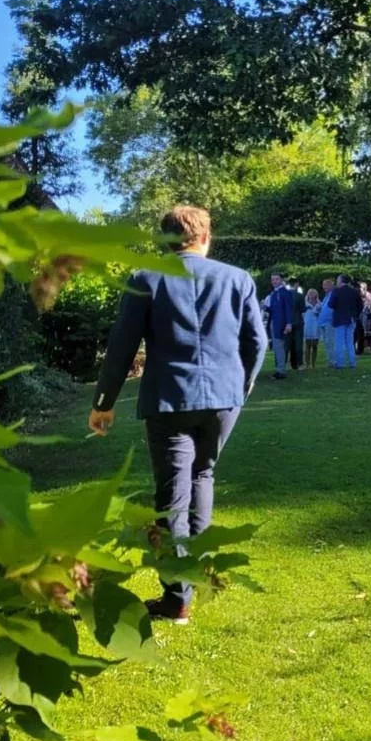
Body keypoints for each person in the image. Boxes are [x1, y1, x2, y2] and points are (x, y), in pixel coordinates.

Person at [88, 205, 267, 624]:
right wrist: (243, 384)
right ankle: (192, 580)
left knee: (171, 498)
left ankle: (177, 598)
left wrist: (104, 402)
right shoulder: (238, 279)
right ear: (205, 237)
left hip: (169, 398)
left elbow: (121, 346)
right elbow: (257, 342)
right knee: (203, 475)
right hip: (223, 398)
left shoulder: (145, 278)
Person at [328, 274, 361, 369]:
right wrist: (355, 315)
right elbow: (360, 305)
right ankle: (352, 363)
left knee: (339, 342)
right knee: (350, 342)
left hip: (339, 319)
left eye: (337, 280)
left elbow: (330, 304)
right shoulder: (355, 291)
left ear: (341, 281)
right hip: (351, 319)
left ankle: (340, 363)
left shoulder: (336, 291)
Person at [266, 271, 293, 380]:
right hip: (274, 322)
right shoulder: (274, 293)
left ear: (281, 280)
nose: (274, 281)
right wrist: (265, 307)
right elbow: (273, 309)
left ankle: (281, 371)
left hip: (281, 323)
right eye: (272, 279)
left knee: (279, 346)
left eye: (276, 279)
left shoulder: (285, 292)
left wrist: (289, 323)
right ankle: (279, 369)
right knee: (277, 347)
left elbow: (288, 309)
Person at [317, 278, 335, 366]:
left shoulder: (333, 295)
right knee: (327, 343)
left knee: (330, 342)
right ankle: (330, 360)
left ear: (331, 286)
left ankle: (333, 361)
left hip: (329, 322)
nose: (324, 287)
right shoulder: (326, 296)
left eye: (326, 285)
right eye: (323, 285)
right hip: (323, 322)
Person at [289, 278, 306, 370]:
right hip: (298, 322)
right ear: (296, 284)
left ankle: (292, 363)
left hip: (288, 322)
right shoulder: (299, 296)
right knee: (298, 344)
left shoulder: (286, 294)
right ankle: (299, 363)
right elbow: (303, 309)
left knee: (290, 344)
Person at [302, 288, 322, 369]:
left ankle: (313, 364)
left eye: (313, 294)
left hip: (316, 325)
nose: (311, 295)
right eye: (310, 294)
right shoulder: (305, 304)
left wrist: (318, 313)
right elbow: (302, 314)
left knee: (314, 345)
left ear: (316, 295)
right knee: (307, 345)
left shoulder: (319, 304)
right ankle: (307, 364)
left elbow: (322, 314)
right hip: (307, 324)